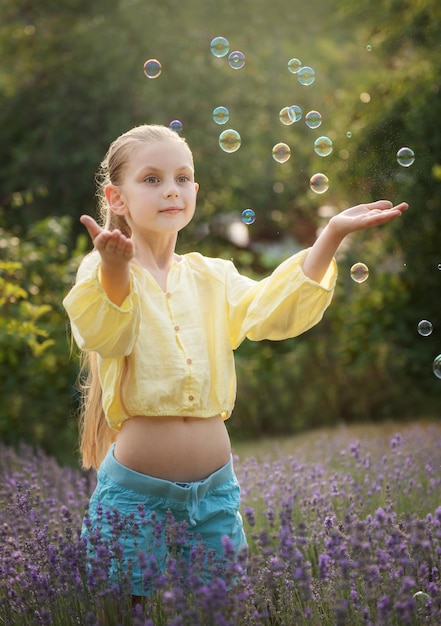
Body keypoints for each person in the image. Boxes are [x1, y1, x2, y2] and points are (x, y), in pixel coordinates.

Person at [63, 123, 408, 600]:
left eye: (183, 178)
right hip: (134, 497)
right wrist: (116, 271)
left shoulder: (213, 276)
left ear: (196, 190)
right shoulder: (101, 271)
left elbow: (274, 309)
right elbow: (105, 332)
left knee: (222, 609)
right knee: (122, 609)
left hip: (215, 495)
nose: (172, 190)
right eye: (152, 179)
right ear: (116, 198)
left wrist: (330, 235)